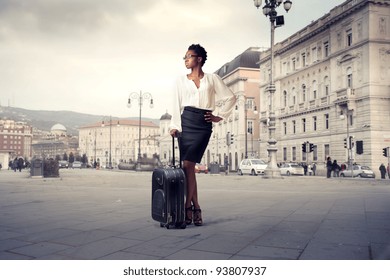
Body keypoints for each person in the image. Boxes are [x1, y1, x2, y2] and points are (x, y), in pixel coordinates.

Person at [169, 44, 236, 226]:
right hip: (186, 122)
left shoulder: (212, 79)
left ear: (199, 59)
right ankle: (194, 207)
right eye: (184, 57)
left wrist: (219, 116)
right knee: (188, 167)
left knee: (189, 166)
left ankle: (189, 207)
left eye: (189, 56)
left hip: (203, 125)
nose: (186, 60)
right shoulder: (180, 81)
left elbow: (231, 97)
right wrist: (174, 126)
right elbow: (176, 104)